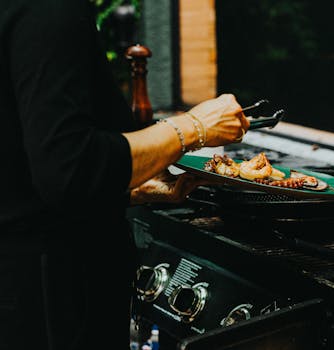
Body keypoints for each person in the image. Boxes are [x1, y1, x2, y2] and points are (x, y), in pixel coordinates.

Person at [0, 0, 249, 349]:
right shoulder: (49, 10)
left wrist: (130, 188)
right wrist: (194, 127)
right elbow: (69, 168)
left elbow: (21, 161)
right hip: (47, 302)